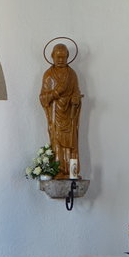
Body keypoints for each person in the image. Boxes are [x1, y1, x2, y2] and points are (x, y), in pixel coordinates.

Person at [39, 42, 82, 178]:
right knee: (57, 142)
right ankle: (58, 170)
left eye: (64, 57)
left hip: (69, 115)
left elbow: (77, 93)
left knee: (71, 143)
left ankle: (72, 171)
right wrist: (56, 93)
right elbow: (43, 98)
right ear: (52, 56)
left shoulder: (72, 74)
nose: (61, 60)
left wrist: (76, 99)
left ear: (68, 57)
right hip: (55, 115)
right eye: (58, 57)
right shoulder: (49, 75)